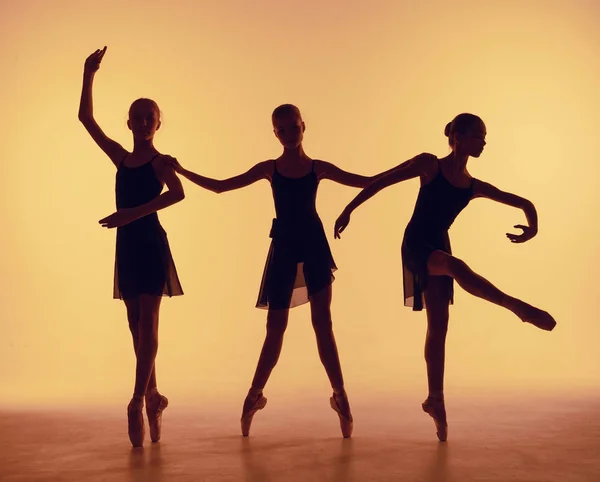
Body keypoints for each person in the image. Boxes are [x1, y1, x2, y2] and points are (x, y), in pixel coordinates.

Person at [334, 113, 557, 442]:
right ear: (458, 137)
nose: (483, 141)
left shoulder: (472, 185)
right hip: (416, 244)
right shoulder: (429, 165)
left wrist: (533, 227)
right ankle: (516, 307)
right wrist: (349, 209)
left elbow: (524, 203)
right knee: (457, 266)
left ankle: (435, 400)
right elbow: (382, 180)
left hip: (439, 244)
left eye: (484, 136)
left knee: (438, 327)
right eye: (478, 135)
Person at [167, 104, 377, 438]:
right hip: (283, 247)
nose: (289, 134)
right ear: (274, 133)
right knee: (275, 327)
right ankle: (253, 397)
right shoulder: (270, 169)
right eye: (282, 129)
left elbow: (366, 181)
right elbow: (221, 186)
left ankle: (340, 396)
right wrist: (180, 170)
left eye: (293, 127)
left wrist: (409, 169)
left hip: (314, 245)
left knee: (323, 324)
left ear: (303, 127)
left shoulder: (317, 168)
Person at [78, 47, 185, 447]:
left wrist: (131, 214)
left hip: (150, 244)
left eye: (149, 118)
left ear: (158, 124)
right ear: (129, 122)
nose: (143, 123)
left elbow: (178, 194)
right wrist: (89, 73)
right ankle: (155, 396)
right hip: (127, 246)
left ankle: (137, 399)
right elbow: (86, 119)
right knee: (134, 323)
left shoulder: (161, 162)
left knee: (150, 323)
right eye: (137, 117)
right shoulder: (122, 158)